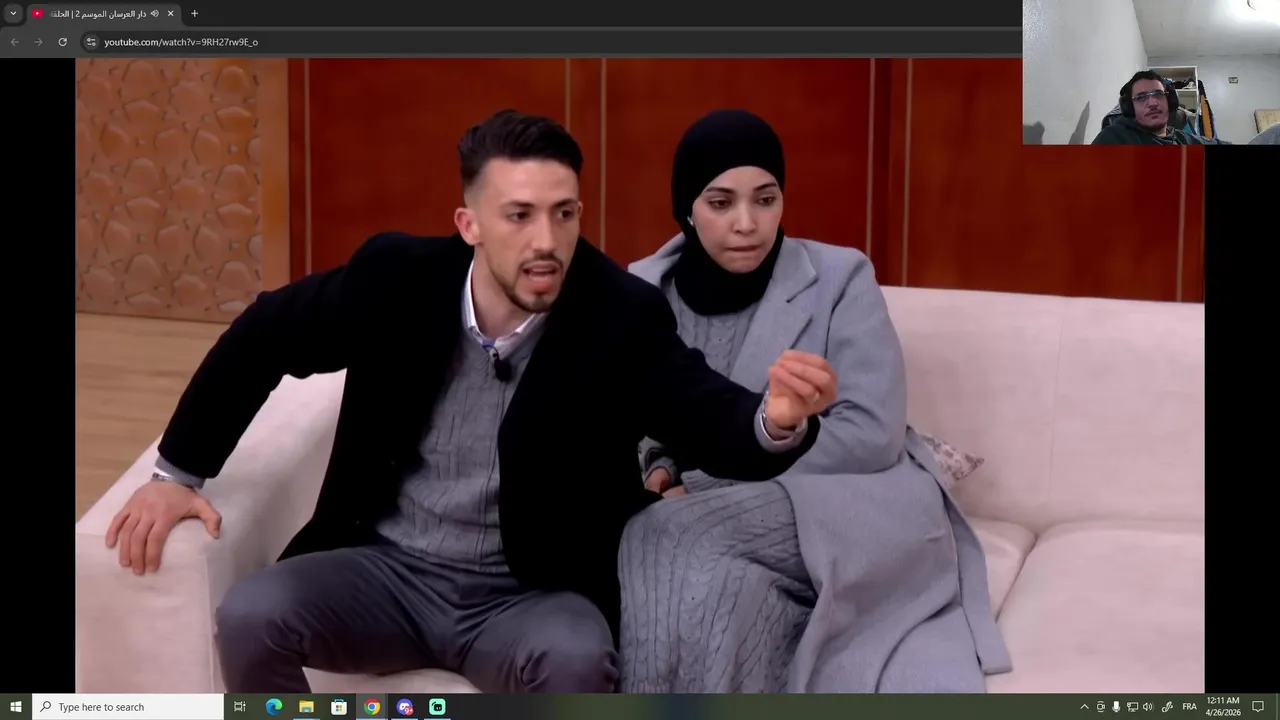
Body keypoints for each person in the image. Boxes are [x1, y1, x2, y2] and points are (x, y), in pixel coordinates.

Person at [101, 110, 840, 693]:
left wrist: (773, 419)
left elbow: (704, 412)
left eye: (564, 214)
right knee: (251, 615)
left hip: (528, 595)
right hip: (387, 572)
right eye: (520, 215)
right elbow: (266, 332)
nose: (546, 241)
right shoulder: (398, 278)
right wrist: (176, 475)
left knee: (578, 661)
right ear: (470, 224)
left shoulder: (618, 313)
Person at [617, 109, 1012, 693]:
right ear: (687, 209)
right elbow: (637, 415)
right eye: (721, 203)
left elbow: (872, 434)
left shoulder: (840, 276)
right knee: (727, 589)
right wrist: (657, 464)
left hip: (848, 501)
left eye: (766, 199)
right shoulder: (642, 289)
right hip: (711, 523)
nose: (747, 223)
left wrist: (702, 482)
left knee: (659, 533)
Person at [1093, 71, 1228, 145]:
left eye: (1158, 94)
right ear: (1130, 107)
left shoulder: (1184, 139)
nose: (1152, 103)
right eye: (1141, 97)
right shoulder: (1115, 138)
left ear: (1170, 101)